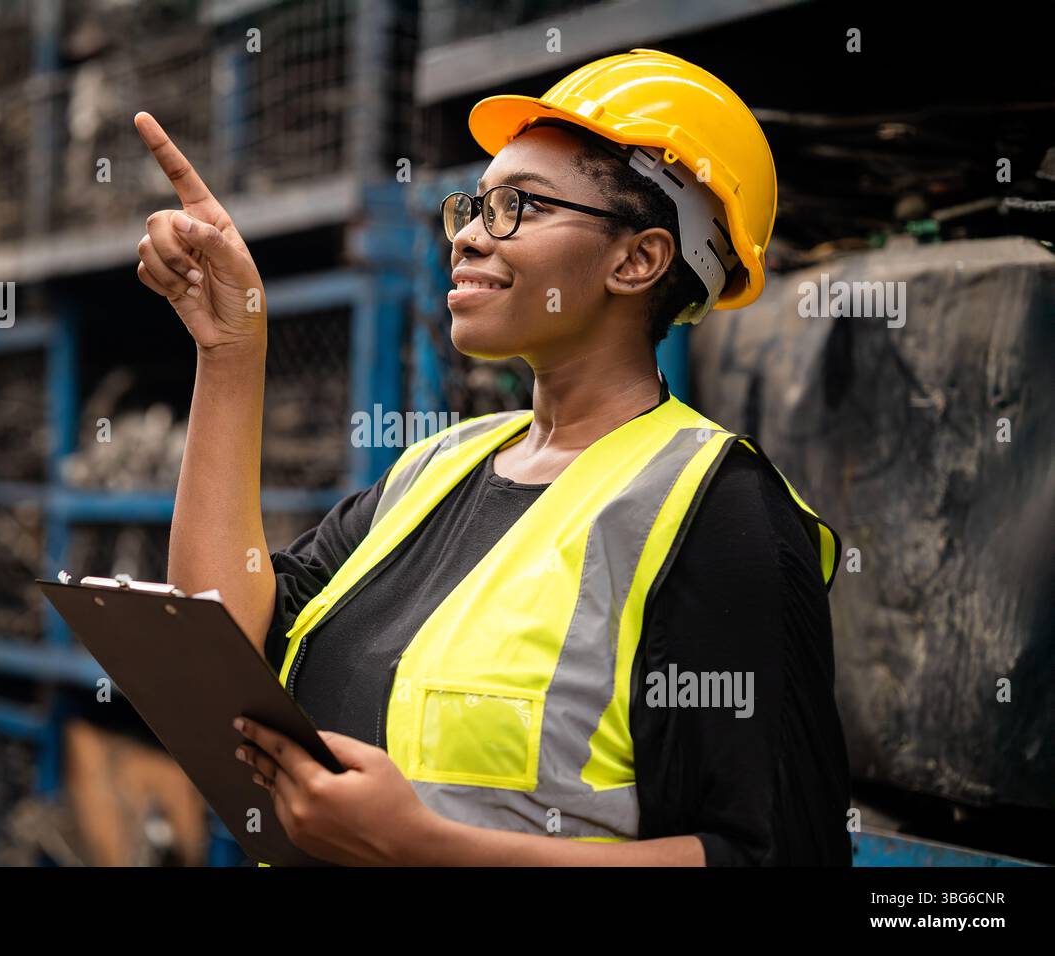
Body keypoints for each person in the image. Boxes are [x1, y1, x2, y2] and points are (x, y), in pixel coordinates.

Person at [134, 49, 851, 866]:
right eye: (474, 206)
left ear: (638, 260)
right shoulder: (436, 469)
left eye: (520, 206)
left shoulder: (716, 511)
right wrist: (230, 349)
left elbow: (781, 856)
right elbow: (223, 640)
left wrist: (426, 849)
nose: (470, 236)